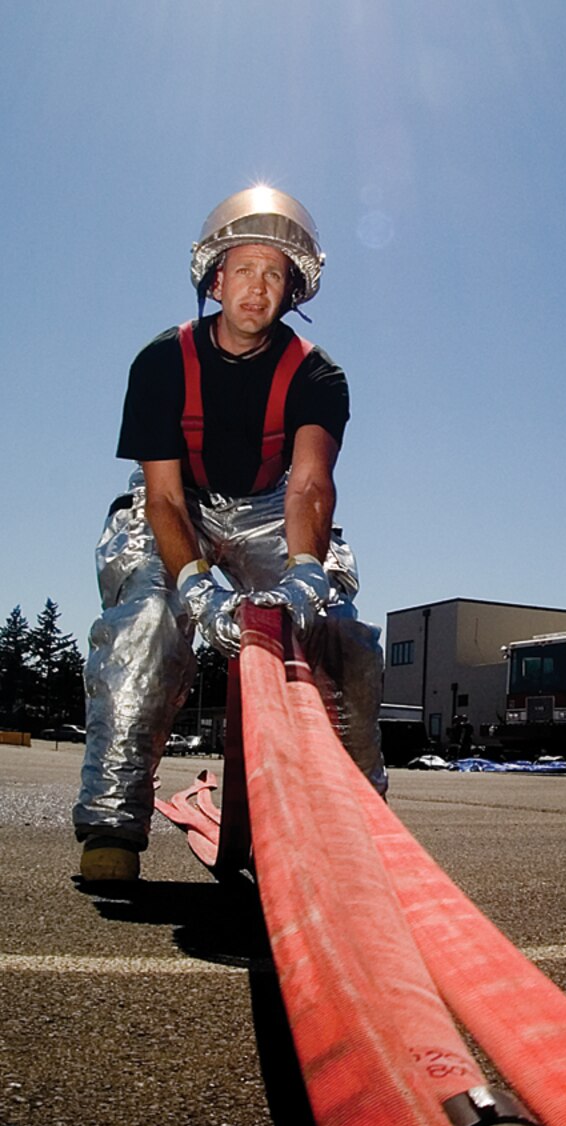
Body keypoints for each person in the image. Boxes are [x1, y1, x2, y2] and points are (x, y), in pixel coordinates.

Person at [74, 186, 386, 888]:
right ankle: (112, 823)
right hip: (178, 507)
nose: (257, 287)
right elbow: (161, 495)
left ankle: (357, 828)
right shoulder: (161, 363)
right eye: (243, 270)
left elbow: (308, 484)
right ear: (214, 280)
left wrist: (306, 573)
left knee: (341, 642)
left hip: (273, 508)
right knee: (147, 626)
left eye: (275, 273)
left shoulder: (316, 373)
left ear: (293, 287)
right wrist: (195, 587)